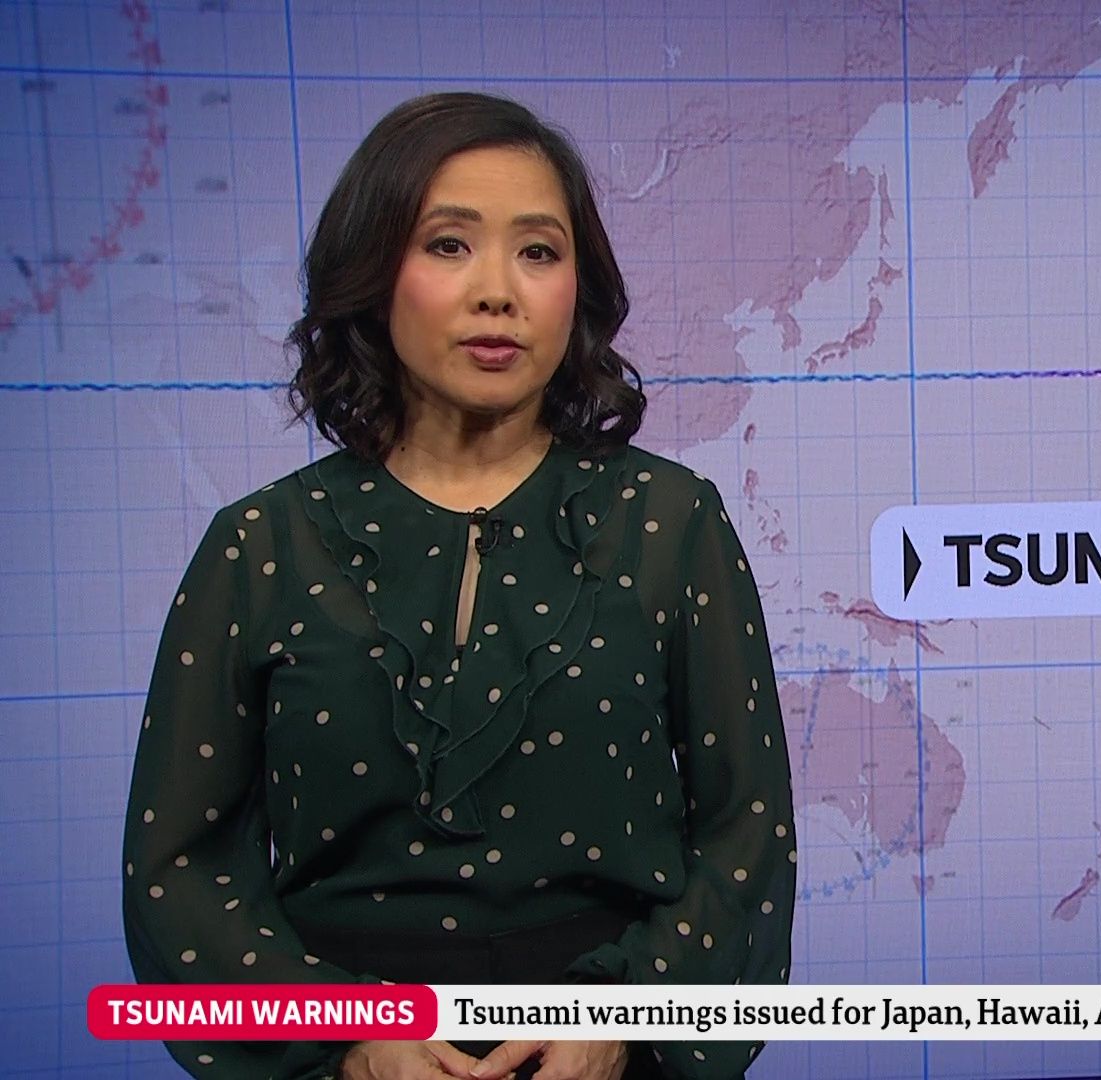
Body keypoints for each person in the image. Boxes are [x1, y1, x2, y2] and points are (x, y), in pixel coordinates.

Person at [121, 91, 796, 1080]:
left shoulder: (671, 522)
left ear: (578, 287)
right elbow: (178, 867)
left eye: (538, 251)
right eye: (449, 245)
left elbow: (749, 833)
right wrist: (345, 1038)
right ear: (371, 274)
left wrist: (624, 1016)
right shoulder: (261, 546)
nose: (498, 293)